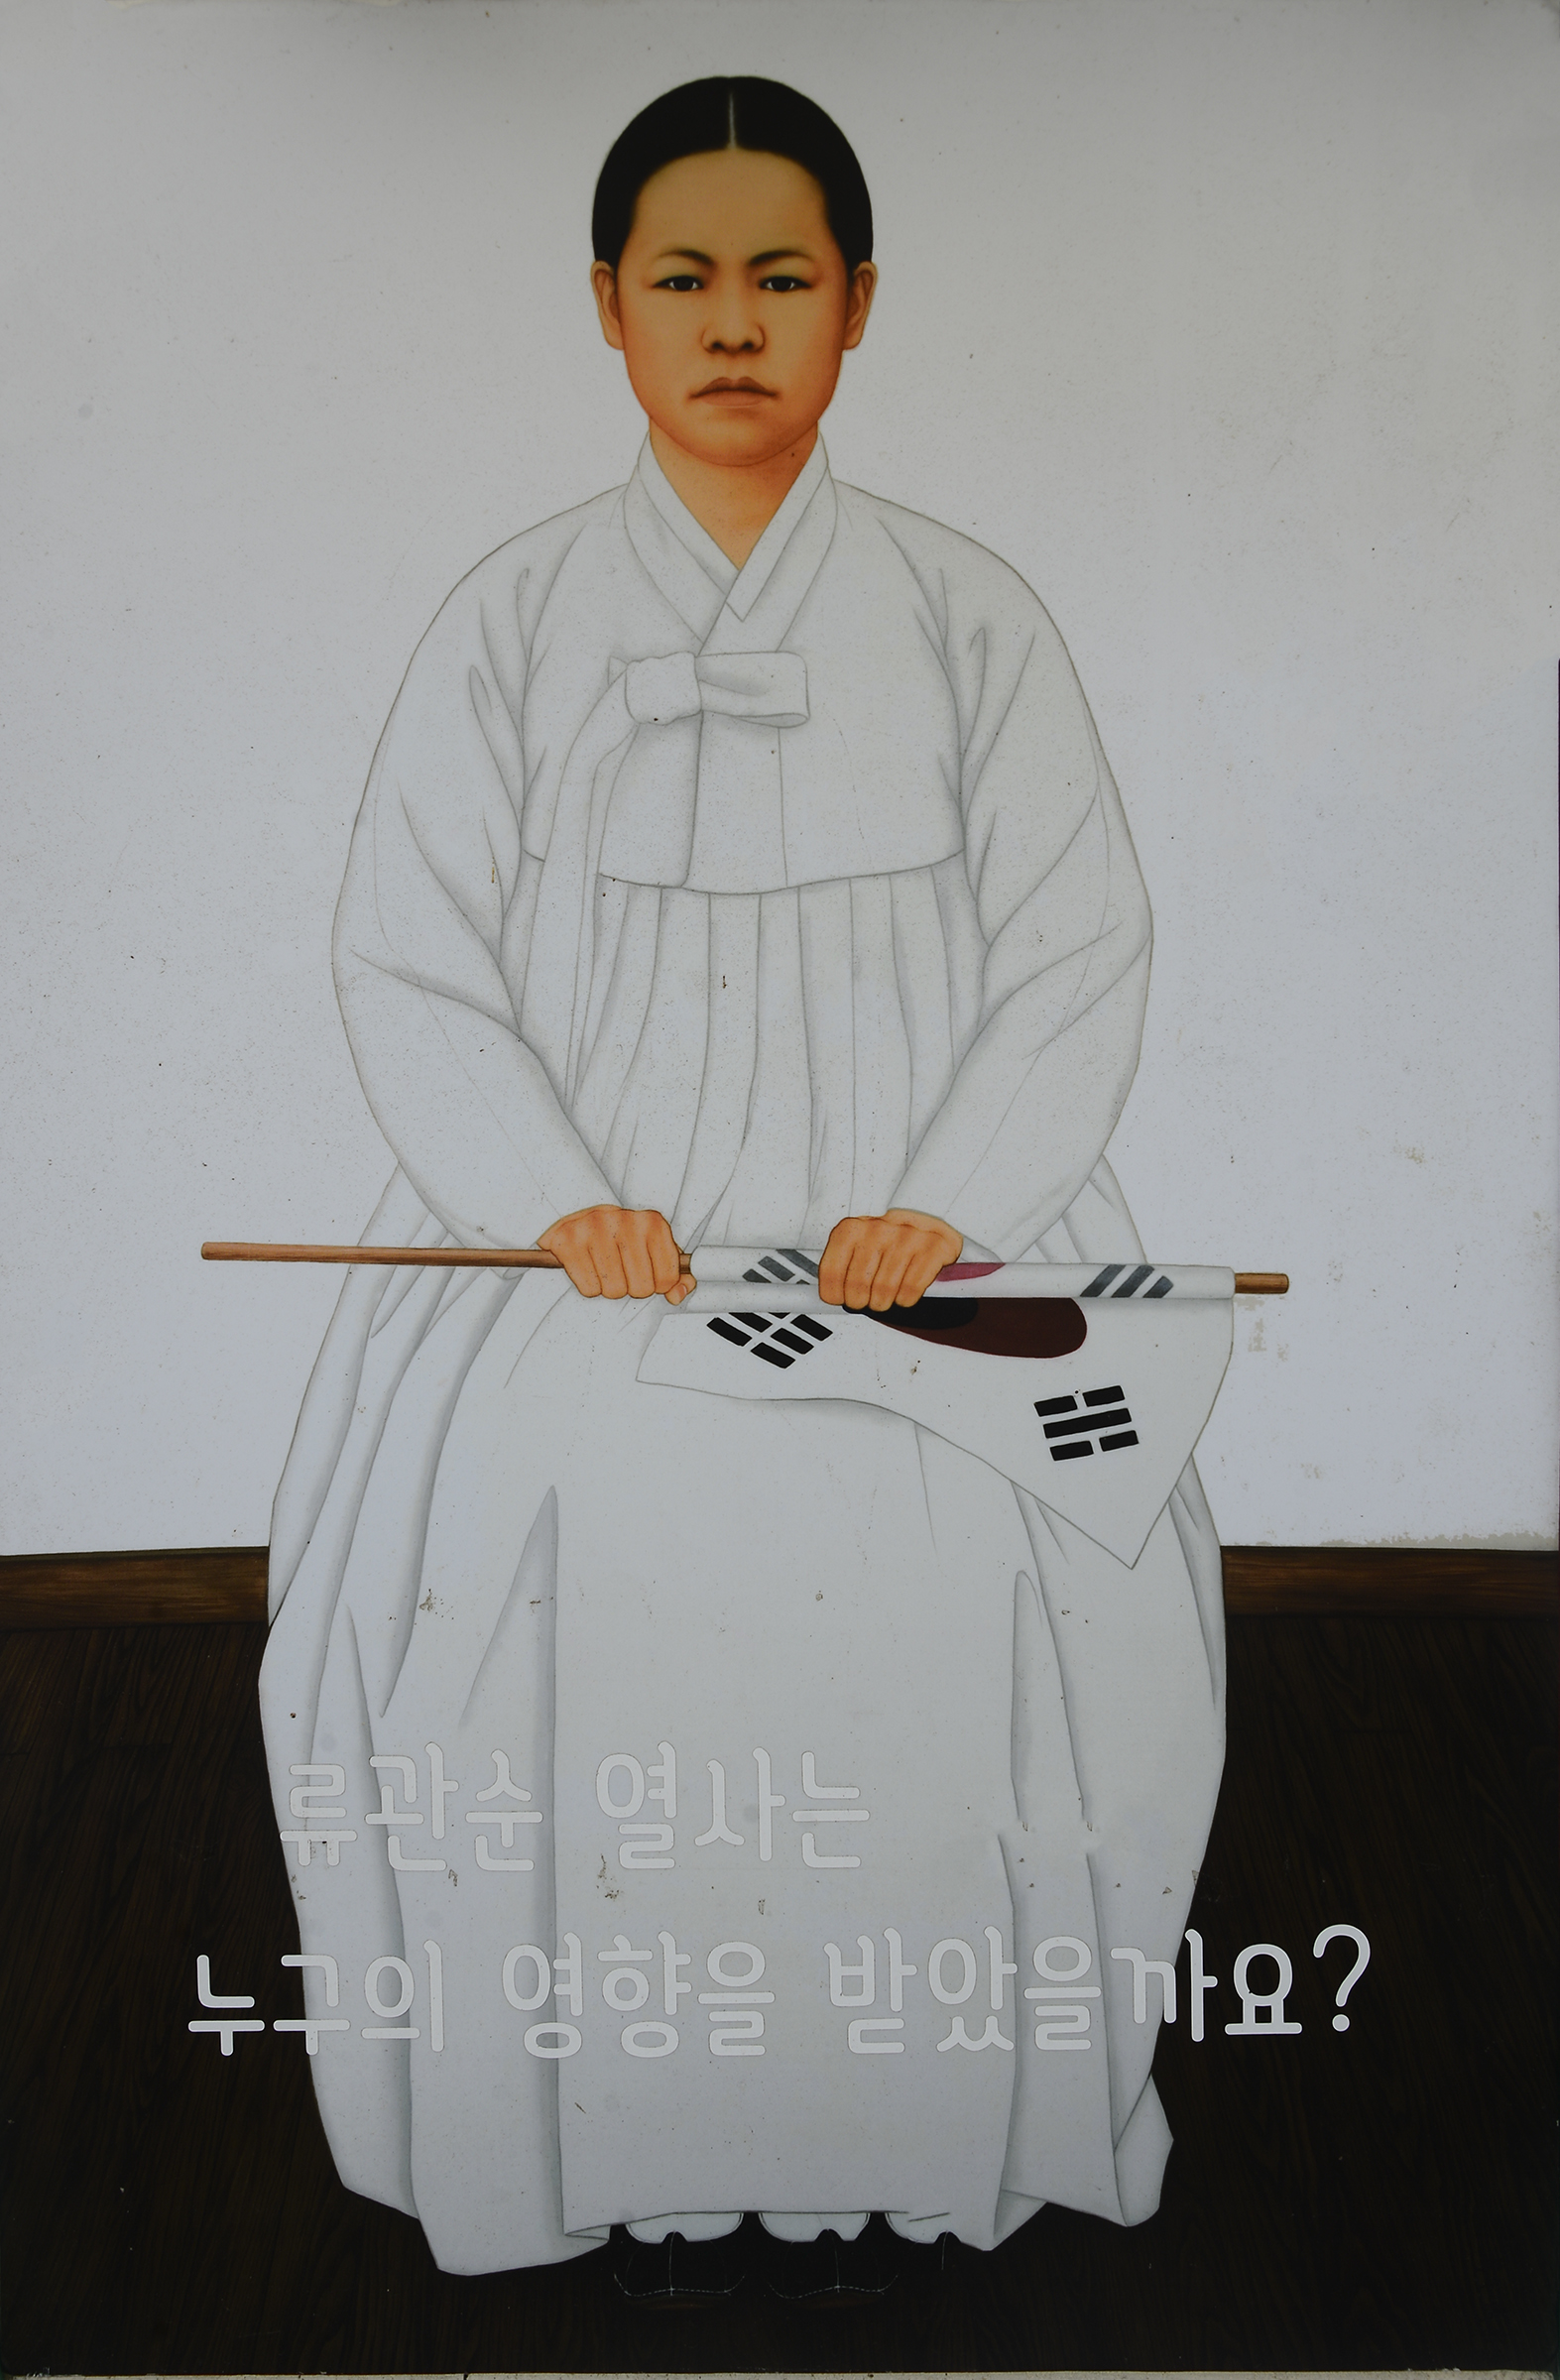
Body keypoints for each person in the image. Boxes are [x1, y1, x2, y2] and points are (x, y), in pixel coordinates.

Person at [259, 76, 1226, 2302]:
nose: (729, 324)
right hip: (589, 1244)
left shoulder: (969, 613)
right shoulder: (512, 615)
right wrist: (554, 1198)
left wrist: (949, 1200)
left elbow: (1077, 946)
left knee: (993, 1606)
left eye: (780, 278)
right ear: (605, 304)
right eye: (679, 278)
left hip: (919, 1240)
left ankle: (919, 2140)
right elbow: (410, 953)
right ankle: (600, 2153)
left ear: (857, 304)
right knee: (515, 1583)